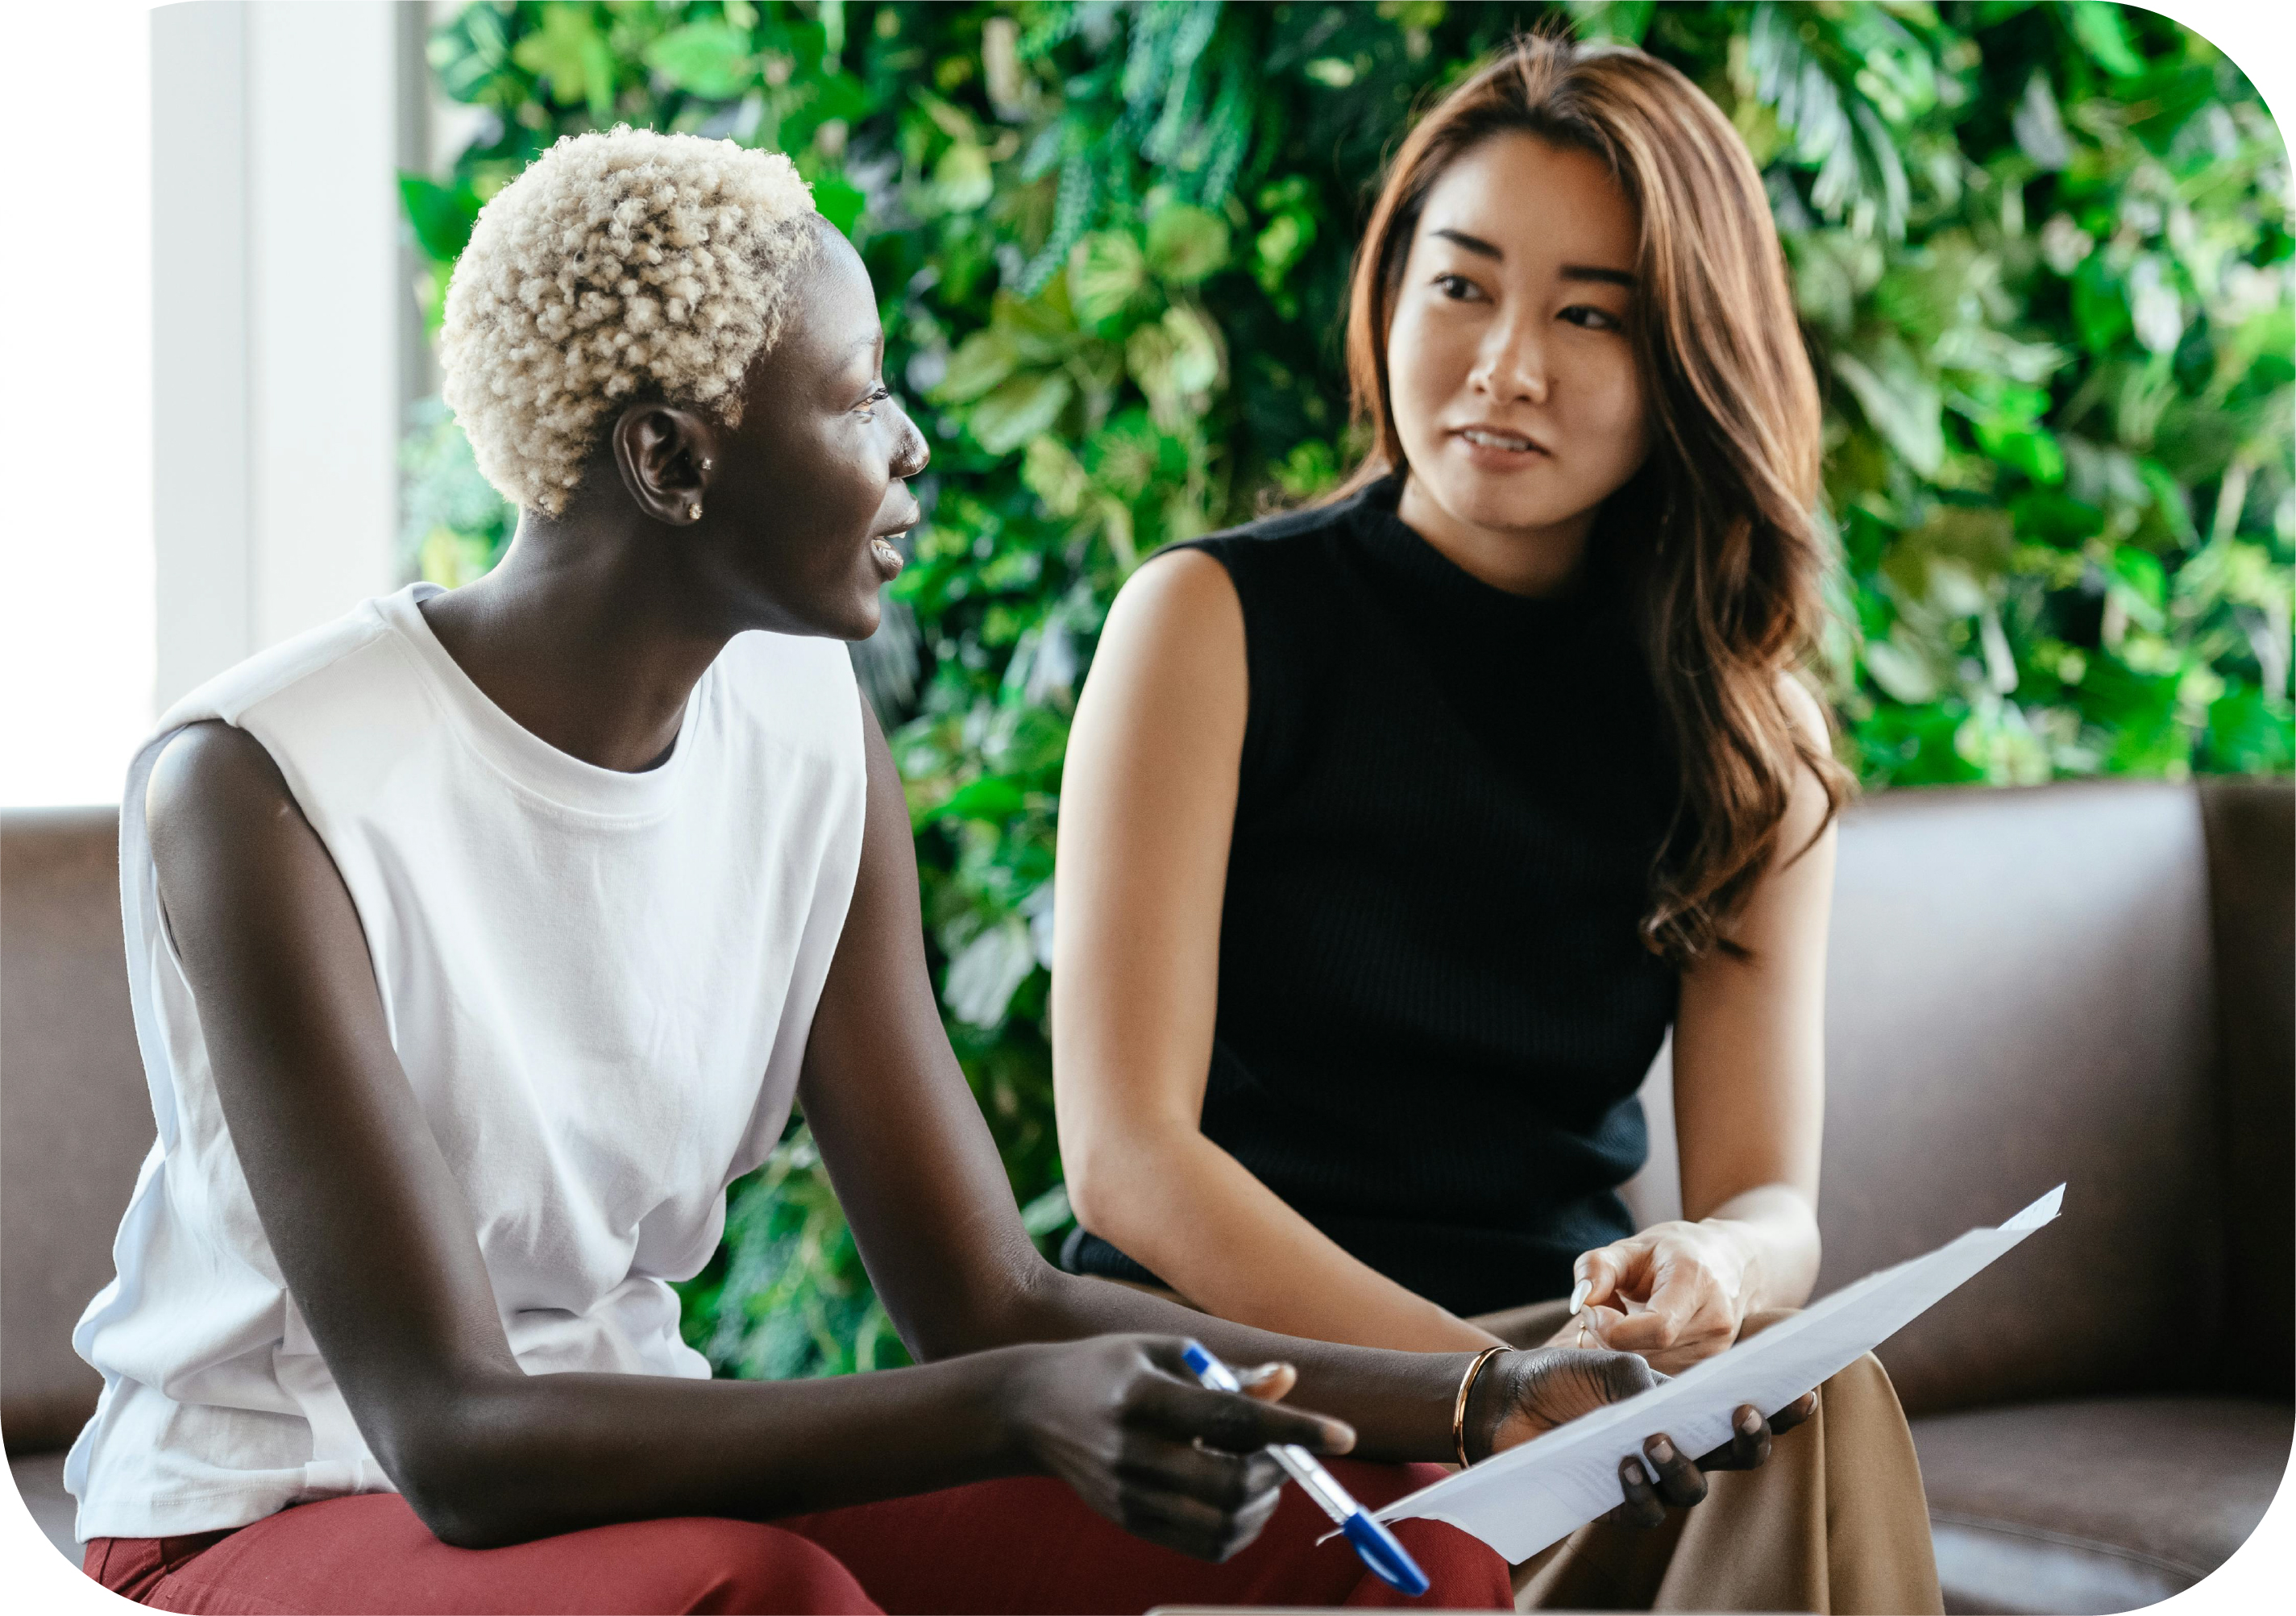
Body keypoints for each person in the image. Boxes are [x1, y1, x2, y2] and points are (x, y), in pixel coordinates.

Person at [64, 128, 1801, 1616]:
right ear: (674, 460)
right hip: (272, 1505)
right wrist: (1006, 1409)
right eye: (860, 395)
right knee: (768, 1596)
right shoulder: (265, 785)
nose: (912, 449)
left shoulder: (808, 724)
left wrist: (1486, 1397)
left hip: (609, 1479)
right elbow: (456, 1435)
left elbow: (988, 1290)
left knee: (1361, 1547)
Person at [1050, 36, 1943, 1614]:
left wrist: (1715, 1280)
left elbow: (1768, 1201)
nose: (1504, 362)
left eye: (1588, 314)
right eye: (1459, 286)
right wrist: (1492, 1394)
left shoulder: (1743, 734)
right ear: (1391, 293)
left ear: (1687, 360)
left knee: (1815, 1393)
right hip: (1259, 1378)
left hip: (1554, 1371)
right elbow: (1129, 1162)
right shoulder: (1211, 622)